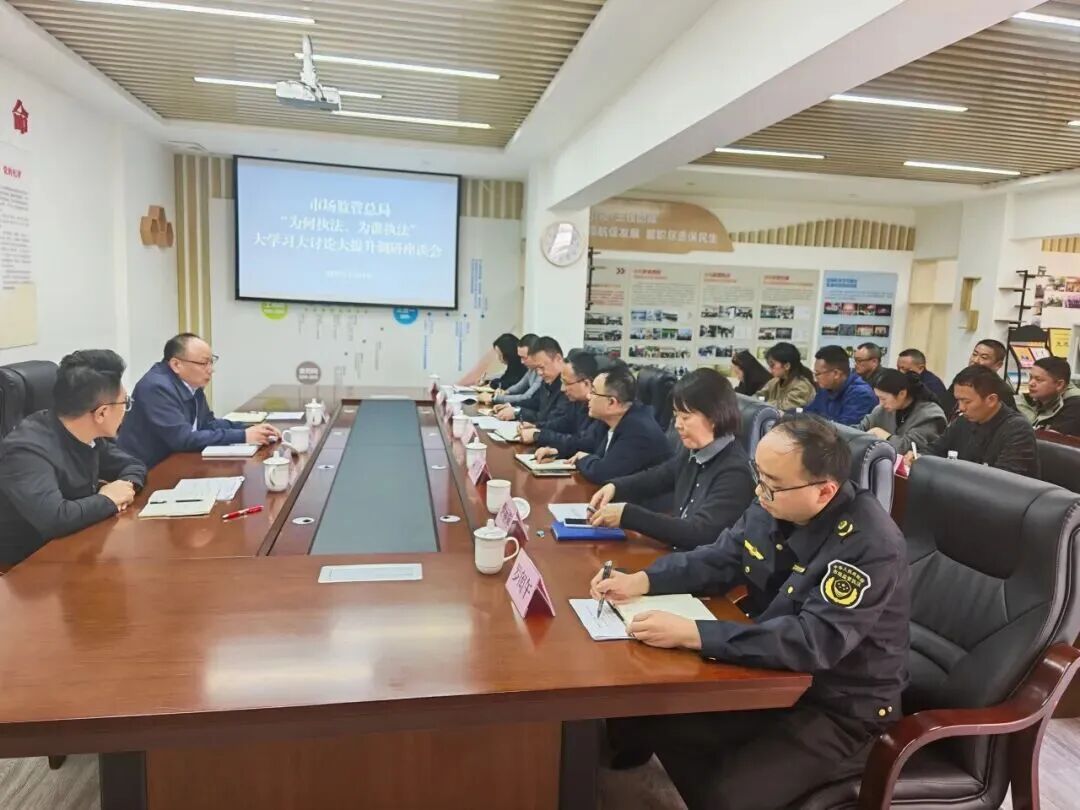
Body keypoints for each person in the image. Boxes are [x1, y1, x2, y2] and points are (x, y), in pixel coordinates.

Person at [595, 414, 909, 810]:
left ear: (825, 492)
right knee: (656, 715)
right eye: (758, 475)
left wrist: (695, 634)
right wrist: (643, 580)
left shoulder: (869, 544)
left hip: (841, 706)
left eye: (772, 485)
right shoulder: (772, 502)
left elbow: (812, 641)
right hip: (773, 676)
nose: (760, 491)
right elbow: (719, 558)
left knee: (727, 796)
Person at [0, 350, 148, 567]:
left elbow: (133, 464)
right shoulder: (25, 451)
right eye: (125, 403)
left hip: (77, 547)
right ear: (102, 413)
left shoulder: (86, 434)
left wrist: (124, 487)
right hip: (27, 571)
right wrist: (107, 499)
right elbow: (55, 519)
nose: (126, 410)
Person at [586, 369, 755, 550]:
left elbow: (699, 533)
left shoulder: (736, 472)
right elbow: (659, 476)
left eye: (685, 417)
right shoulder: (694, 452)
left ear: (714, 416)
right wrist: (616, 487)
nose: (677, 425)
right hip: (680, 558)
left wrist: (628, 515)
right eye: (676, 415)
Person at [119, 333, 280, 468]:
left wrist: (251, 429)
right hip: (148, 470)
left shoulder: (189, 383)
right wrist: (243, 436)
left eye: (211, 362)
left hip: (177, 460)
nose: (211, 370)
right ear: (176, 364)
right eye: (203, 363)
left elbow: (207, 424)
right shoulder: (156, 388)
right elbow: (182, 439)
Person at [535, 364, 670, 482]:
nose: (588, 396)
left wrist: (583, 459)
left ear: (611, 402)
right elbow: (586, 443)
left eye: (593, 392)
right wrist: (556, 451)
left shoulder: (639, 430)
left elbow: (603, 473)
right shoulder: (609, 419)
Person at [908, 365, 1038, 477]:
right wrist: (918, 456)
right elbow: (935, 449)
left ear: (991, 400)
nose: (961, 407)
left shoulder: (1017, 429)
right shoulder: (963, 421)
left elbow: (1004, 481)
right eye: (958, 400)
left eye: (967, 401)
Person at [518, 351, 605, 454]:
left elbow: (584, 443)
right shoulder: (577, 401)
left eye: (567, 383)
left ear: (586, 383)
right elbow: (564, 423)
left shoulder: (601, 408)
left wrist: (539, 435)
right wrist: (537, 427)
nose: (563, 389)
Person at [858, 369, 947, 454]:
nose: (881, 403)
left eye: (883, 399)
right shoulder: (881, 411)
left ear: (902, 394)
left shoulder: (930, 415)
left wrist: (881, 434)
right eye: (878, 398)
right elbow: (860, 429)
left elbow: (908, 448)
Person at [495, 336, 568, 425]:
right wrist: (513, 406)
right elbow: (535, 401)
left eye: (541, 367)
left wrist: (518, 412)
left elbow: (548, 419)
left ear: (558, 359)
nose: (540, 373)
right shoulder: (549, 379)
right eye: (536, 368)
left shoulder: (568, 385)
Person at [805, 345, 878, 426]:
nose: (815, 378)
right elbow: (808, 414)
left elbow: (845, 430)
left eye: (818, 373)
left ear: (836, 374)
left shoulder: (861, 394)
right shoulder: (826, 387)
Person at [947, 338, 1016, 412]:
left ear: (998, 365)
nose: (975, 360)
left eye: (984, 357)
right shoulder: (961, 382)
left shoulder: (1003, 392)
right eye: (974, 354)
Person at [1018, 356, 1080, 436]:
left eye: (1038, 379)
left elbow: (1051, 441)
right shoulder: (1032, 400)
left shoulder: (1075, 406)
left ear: (1059, 385)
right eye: (1031, 377)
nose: (1031, 383)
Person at [481, 334, 541, 406]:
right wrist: (506, 392)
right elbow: (519, 386)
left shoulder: (542, 373)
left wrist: (494, 398)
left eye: (524, 358)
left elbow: (527, 397)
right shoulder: (531, 369)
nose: (522, 361)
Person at [759, 342, 816, 411]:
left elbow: (785, 406)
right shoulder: (774, 381)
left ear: (787, 366)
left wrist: (762, 404)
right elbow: (759, 395)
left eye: (772, 365)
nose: (770, 369)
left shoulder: (802, 386)